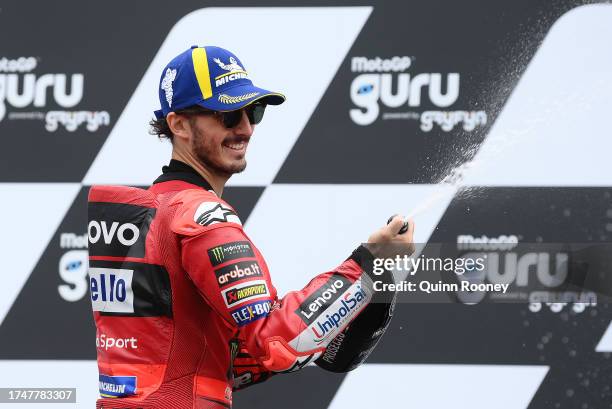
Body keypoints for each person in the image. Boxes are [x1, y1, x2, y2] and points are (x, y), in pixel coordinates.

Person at [87, 45, 414, 409]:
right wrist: (366, 266)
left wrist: (370, 285)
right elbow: (279, 346)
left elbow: (236, 357)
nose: (245, 128)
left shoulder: (149, 213)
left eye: (253, 111)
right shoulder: (200, 214)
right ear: (178, 124)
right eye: (227, 115)